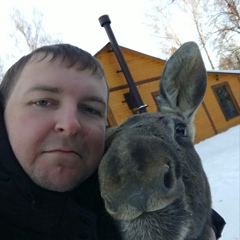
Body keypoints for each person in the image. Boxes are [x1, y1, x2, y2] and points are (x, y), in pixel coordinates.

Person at [0, 43, 225, 239]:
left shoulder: (88, 184)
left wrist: (208, 225)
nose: (70, 125)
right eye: (43, 102)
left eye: (91, 109)